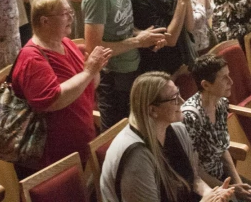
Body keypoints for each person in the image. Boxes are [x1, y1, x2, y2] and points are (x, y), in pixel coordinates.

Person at [11, 0, 112, 171]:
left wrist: (94, 69)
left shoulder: (65, 42)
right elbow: (51, 100)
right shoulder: (32, 57)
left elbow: (87, 86)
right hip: (54, 155)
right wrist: (89, 71)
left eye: (70, 13)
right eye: (65, 14)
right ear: (44, 21)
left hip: (81, 142)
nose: (71, 18)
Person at [99, 71, 236, 202]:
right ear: (153, 110)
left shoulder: (178, 130)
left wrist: (212, 194)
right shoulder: (136, 157)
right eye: (174, 99)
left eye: (179, 94)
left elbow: (193, 179)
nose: (182, 102)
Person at [84, 0, 168, 130]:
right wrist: (139, 41)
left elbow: (124, 28)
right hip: (114, 77)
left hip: (131, 68)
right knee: (119, 135)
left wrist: (146, 37)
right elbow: (93, 47)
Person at [182, 54, 251, 202]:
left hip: (222, 176)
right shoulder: (190, 117)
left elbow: (223, 149)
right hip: (203, 186)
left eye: (229, 75)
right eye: (224, 78)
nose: (231, 82)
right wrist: (230, 190)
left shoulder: (221, 104)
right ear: (206, 85)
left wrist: (239, 183)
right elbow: (193, 170)